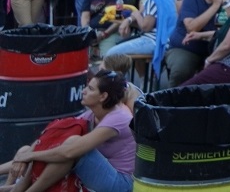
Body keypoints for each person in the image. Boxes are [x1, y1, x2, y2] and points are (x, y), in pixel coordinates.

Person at [0, 70, 134, 192]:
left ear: (103, 96)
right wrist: (23, 156)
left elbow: (69, 152)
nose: (83, 91)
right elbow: (51, 135)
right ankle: (13, 188)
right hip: (99, 174)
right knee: (27, 149)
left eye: (90, 88)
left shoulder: (119, 118)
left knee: (71, 147)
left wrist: (31, 156)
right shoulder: (91, 115)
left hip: (120, 184)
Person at [161, 0, 230, 88]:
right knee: (181, 69)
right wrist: (215, 5)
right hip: (186, 46)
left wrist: (226, 2)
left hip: (215, 47)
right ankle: (174, 101)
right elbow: (191, 27)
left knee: (227, 71)